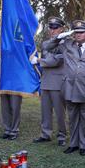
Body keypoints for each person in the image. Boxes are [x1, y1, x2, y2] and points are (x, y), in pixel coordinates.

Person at [45, 20, 85, 156]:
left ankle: (83, 144)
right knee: (72, 117)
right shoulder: (67, 44)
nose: (78, 35)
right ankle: (73, 144)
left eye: (81, 32)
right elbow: (48, 47)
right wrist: (59, 37)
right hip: (69, 87)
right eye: (76, 32)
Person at [32, 17, 67, 147]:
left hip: (58, 82)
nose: (52, 30)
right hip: (46, 81)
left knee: (59, 112)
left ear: (62, 28)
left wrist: (40, 61)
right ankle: (45, 134)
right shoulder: (46, 43)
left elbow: (57, 60)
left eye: (55, 27)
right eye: (51, 28)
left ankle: (62, 136)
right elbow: (49, 58)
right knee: (45, 111)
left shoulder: (65, 43)